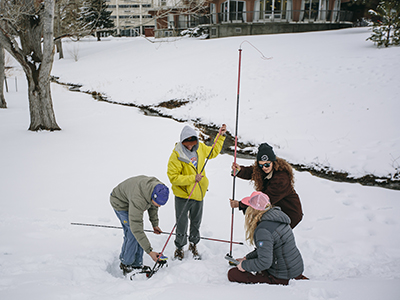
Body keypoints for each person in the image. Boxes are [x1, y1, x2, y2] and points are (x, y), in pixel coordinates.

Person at [167, 124, 227, 260]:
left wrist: (221, 136)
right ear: (182, 141)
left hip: (198, 194)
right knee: (181, 223)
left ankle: (193, 244)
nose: (190, 145)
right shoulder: (176, 155)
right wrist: (192, 178)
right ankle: (179, 247)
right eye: (186, 143)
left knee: (196, 222)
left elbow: (213, 152)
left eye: (192, 142)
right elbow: (173, 178)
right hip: (183, 195)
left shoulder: (200, 149)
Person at [227, 191, 305, 285]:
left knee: (233, 274)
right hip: (294, 269)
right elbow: (267, 248)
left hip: (283, 276)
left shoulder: (263, 230)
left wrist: (244, 265)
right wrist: (247, 258)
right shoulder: (276, 217)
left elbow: (264, 262)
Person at [230, 142, 303, 229]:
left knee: (275, 236)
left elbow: (263, 200)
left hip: (289, 213)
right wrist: (240, 170)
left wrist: (240, 204)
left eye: (267, 164)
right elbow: (253, 172)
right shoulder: (265, 170)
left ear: (273, 162)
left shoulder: (281, 179)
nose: (264, 167)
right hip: (276, 210)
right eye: (261, 165)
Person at [110, 175, 169, 275]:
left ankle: (137, 264)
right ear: (152, 196)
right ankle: (126, 263)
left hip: (132, 199)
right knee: (132, 232)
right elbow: (136, 228)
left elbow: (153, 206)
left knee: (137, 232)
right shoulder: (139, 199)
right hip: (120, 202)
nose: (159, 206)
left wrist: (155, 224)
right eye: (158, 203)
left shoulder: (159, 189)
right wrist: (150, 252)